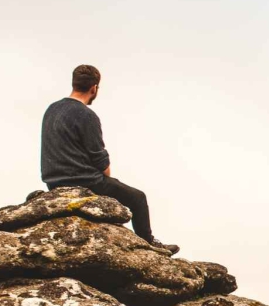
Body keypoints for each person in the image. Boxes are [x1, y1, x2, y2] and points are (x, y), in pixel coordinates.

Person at [40, 64, 178, 254]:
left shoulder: (51, 109)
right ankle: (148, 244)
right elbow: (101, 162)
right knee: (137, 198)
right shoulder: (86, 115)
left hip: (53, 181)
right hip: (84, 181)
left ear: (74, 83)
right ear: (94, 88)